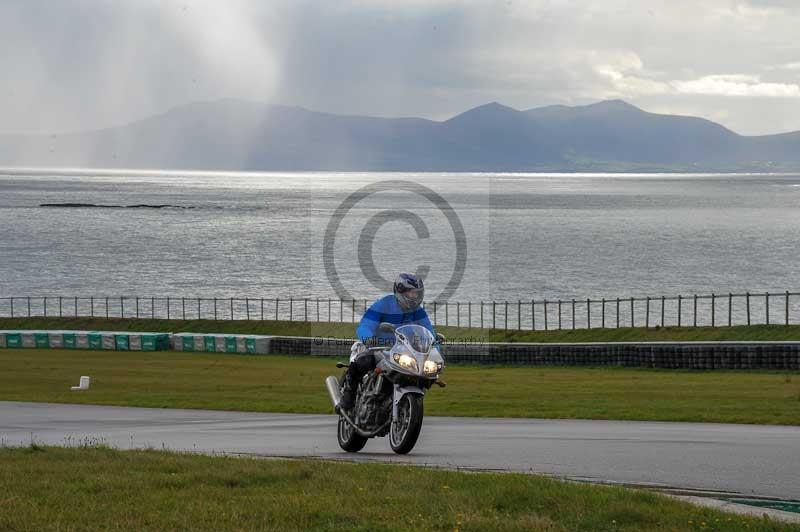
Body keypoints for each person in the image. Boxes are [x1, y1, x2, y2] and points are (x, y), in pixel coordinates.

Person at [339, 272, 436, 410]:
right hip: (378, 348)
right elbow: (365, 325)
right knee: (364, 360)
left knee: (424, 374)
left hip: (403, 352)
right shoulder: (383, 304)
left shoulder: (418, 312)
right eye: (411, 293)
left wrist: (434, 350)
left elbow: (428, 332)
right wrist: (370, 340)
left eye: (417, 294)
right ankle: (348, 395)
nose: (415, 297)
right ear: (400, 291)